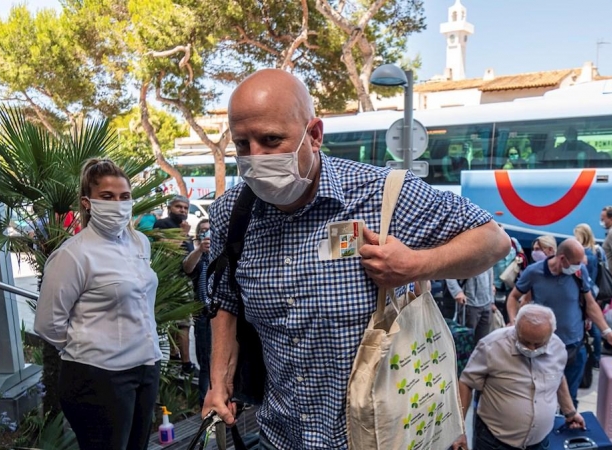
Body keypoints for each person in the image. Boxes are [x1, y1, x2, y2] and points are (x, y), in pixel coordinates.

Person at [202, 69, 512, 449]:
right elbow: (226, 302)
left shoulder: (384, 195)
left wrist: (415, 265)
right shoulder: (230, 215)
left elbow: (494, 240)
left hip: (377, 438)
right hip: (279, 436)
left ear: (314, 135)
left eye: (270, 140)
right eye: (242, 144)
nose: (255, 158)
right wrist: (219, 383)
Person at [34, 159, 161, 450]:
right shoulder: (73, 255)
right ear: (87, 202)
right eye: (107, 197)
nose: (118, 203)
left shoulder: (140, 242)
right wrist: (92, 346)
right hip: (98, 377)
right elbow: (47, 324)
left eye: (124, 197)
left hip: (146, 367)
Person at [505, 238, 612, 407]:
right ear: (562, 259)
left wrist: (608, 333)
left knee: (570, 398)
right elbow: (514, 297)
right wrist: (513, 321)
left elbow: (591, 304)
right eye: (576, 262)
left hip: (574, 345)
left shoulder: (579, 272)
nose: (580, 265)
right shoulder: (534, 272)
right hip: (544, 347)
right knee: (541, 396)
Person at [451, 304, 586, 450]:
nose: (531, 348)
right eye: (526, 342)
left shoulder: (558, 347)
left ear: (551, 333)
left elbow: (558, 377)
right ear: (516, 327)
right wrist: (459, 430)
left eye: (538, 343)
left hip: (540, 442)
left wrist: (570, 411)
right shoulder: (492, 346)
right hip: (494, 442)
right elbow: (466, 382)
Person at [153, 195, 196, 375]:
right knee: (176, 322)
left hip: (183, 280)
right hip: (167, 278)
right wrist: (183, 234)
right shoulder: (162, 225)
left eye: (186, 208)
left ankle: (179, 358)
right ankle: (182, 361)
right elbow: (166, 250)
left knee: (183, 322)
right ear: (170, 208)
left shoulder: (184, 228)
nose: (183, 211)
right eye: (179, 207)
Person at [183, 219, 212, 407]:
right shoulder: (198, 255)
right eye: (202, 232)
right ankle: (206, 405)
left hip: (226, 315)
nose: (206, 235)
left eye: (209, 231)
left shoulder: (225, 250)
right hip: (204, 315)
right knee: (206, 362)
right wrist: (200, 250)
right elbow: (187, 267)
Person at [574, 223, 605, 368]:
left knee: (589, 325)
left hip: (585, 291)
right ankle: (597, 356)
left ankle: (592, 356)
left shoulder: (583, 253)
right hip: (595, 289)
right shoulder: (597, 250)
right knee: (595, 323)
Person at [447, 268, 496, 345]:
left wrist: (492, 301)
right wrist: (457, 292)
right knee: (467, 341)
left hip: (487, 304)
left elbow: (490, 275)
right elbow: (448, 274)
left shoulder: (486, 257)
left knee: (484, 342)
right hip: (469, 304)